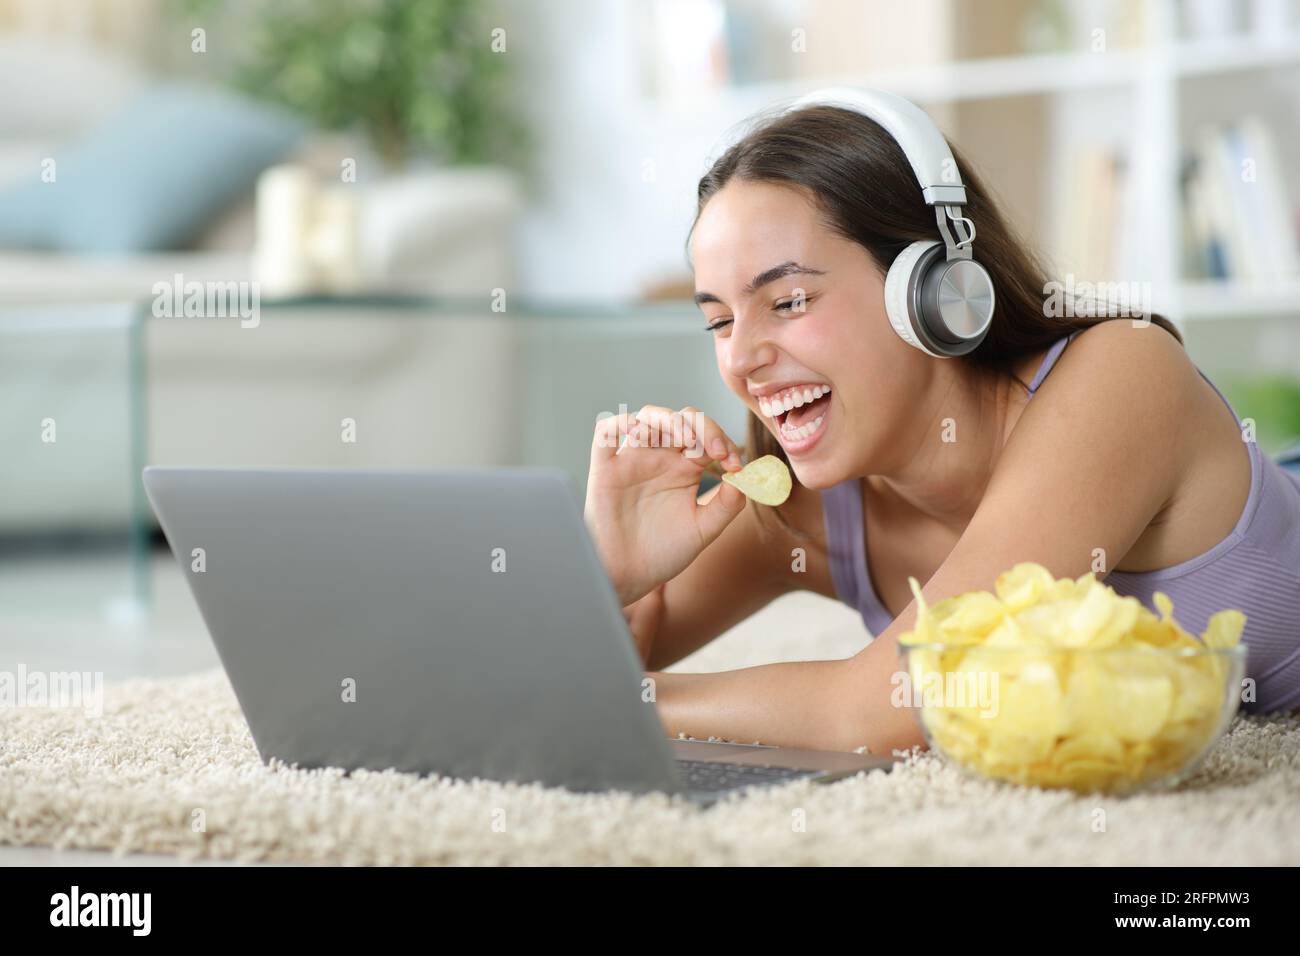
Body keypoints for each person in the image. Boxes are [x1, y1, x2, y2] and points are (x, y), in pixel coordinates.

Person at [582, 94, 1300, 756]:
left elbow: (876, 710)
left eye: (790, 301)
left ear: (934, 290)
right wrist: (613, 572)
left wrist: (624, 702)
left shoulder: (1125, 370)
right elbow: (553, 675)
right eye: (718, 320)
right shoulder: (795, 511)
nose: (740, 358)